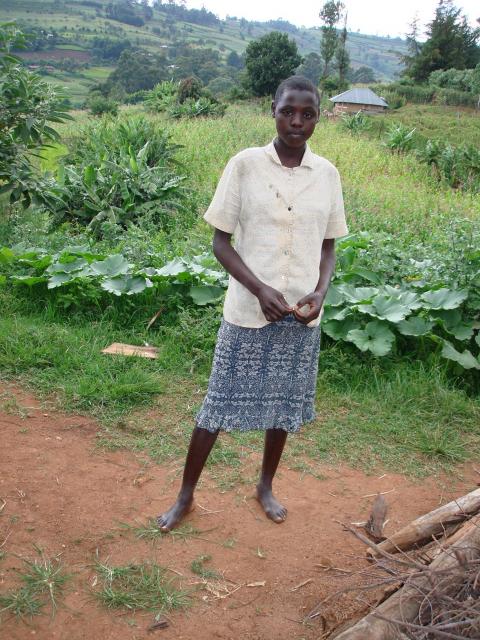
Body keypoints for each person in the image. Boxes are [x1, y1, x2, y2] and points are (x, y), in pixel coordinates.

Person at [157, 75, 348, 532]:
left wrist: (321, 291)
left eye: (307, 114)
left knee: (281, 407)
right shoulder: (244, 165)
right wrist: (260, 289)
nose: (297, 122)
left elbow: (328, 246)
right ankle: (185, 496)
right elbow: (220, 243)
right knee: (216, 407)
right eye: (288, 111)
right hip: (248, 311)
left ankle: (264, 486)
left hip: (301, 315)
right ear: (273, 111)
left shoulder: (327, 174)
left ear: (318, 119)